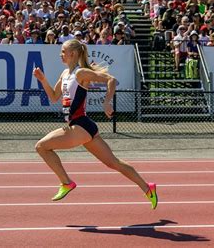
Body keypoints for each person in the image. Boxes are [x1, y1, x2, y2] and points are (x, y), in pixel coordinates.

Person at [32, 39, 158, 209]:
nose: (60, 54)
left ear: (73, 54)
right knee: (114, 163)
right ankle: (148, 188)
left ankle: (66, 182)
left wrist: (107, 102)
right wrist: (42, 80)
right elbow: (54, 97)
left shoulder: (81, 73)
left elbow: (111, 80)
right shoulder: (64, 74)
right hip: (85, 128)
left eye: (63, 51)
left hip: (79, 125)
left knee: (41, 147)